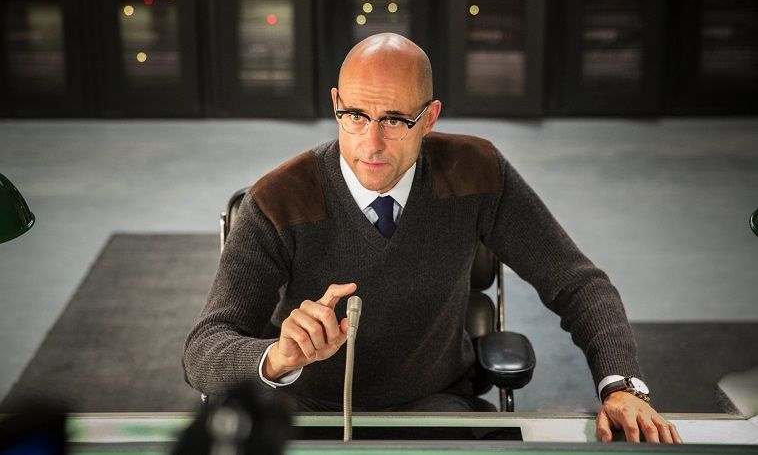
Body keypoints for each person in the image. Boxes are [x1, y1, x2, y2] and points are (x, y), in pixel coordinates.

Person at [183, 33, 682, 444]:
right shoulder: (278, 199)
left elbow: (576, 282)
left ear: (430, 117)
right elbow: (203, 349)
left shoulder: (476, 173)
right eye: (355, 116)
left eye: (395, 120)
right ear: (336, 104)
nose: (371, 144)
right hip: (306, 415)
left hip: (437, 408)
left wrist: (622, 385)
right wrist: (277, 358)